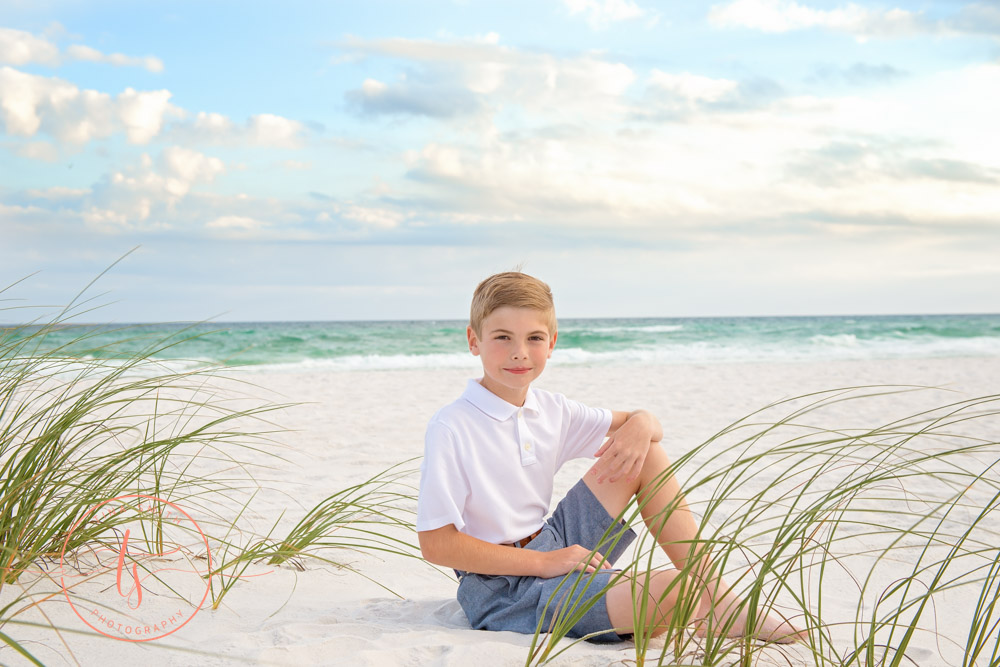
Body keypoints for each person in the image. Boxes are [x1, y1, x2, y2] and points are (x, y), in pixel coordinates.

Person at [416, 271, 803, 643]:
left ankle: (723, 604)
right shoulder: (452, 426)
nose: (519, 353)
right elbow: (436, 545)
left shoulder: (551, 409)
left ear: (551, 343)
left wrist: (644, 421)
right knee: (676, 590)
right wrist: (546, 564)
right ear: (474, 340)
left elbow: (642, 426)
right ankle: (668, 606)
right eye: (502, 337)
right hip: (500, 588)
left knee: (646, 452)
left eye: (533, 337)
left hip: (556, 542)